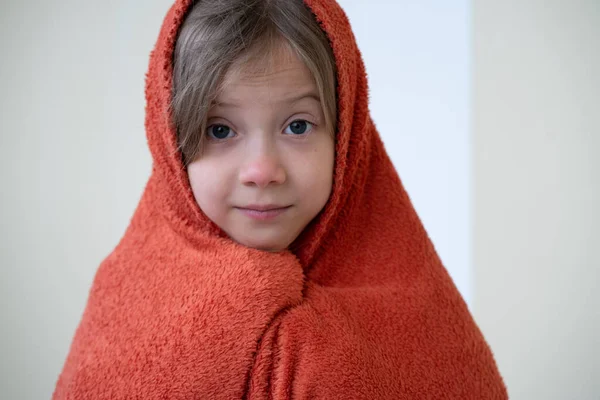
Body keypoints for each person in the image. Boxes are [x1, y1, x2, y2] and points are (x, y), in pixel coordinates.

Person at [53, 0, 508, 398]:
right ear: (172, 142)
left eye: (297, 126)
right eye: (220, 130)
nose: (263, 171)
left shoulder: (420, 320)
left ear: (347, 135)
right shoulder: (128, 305)